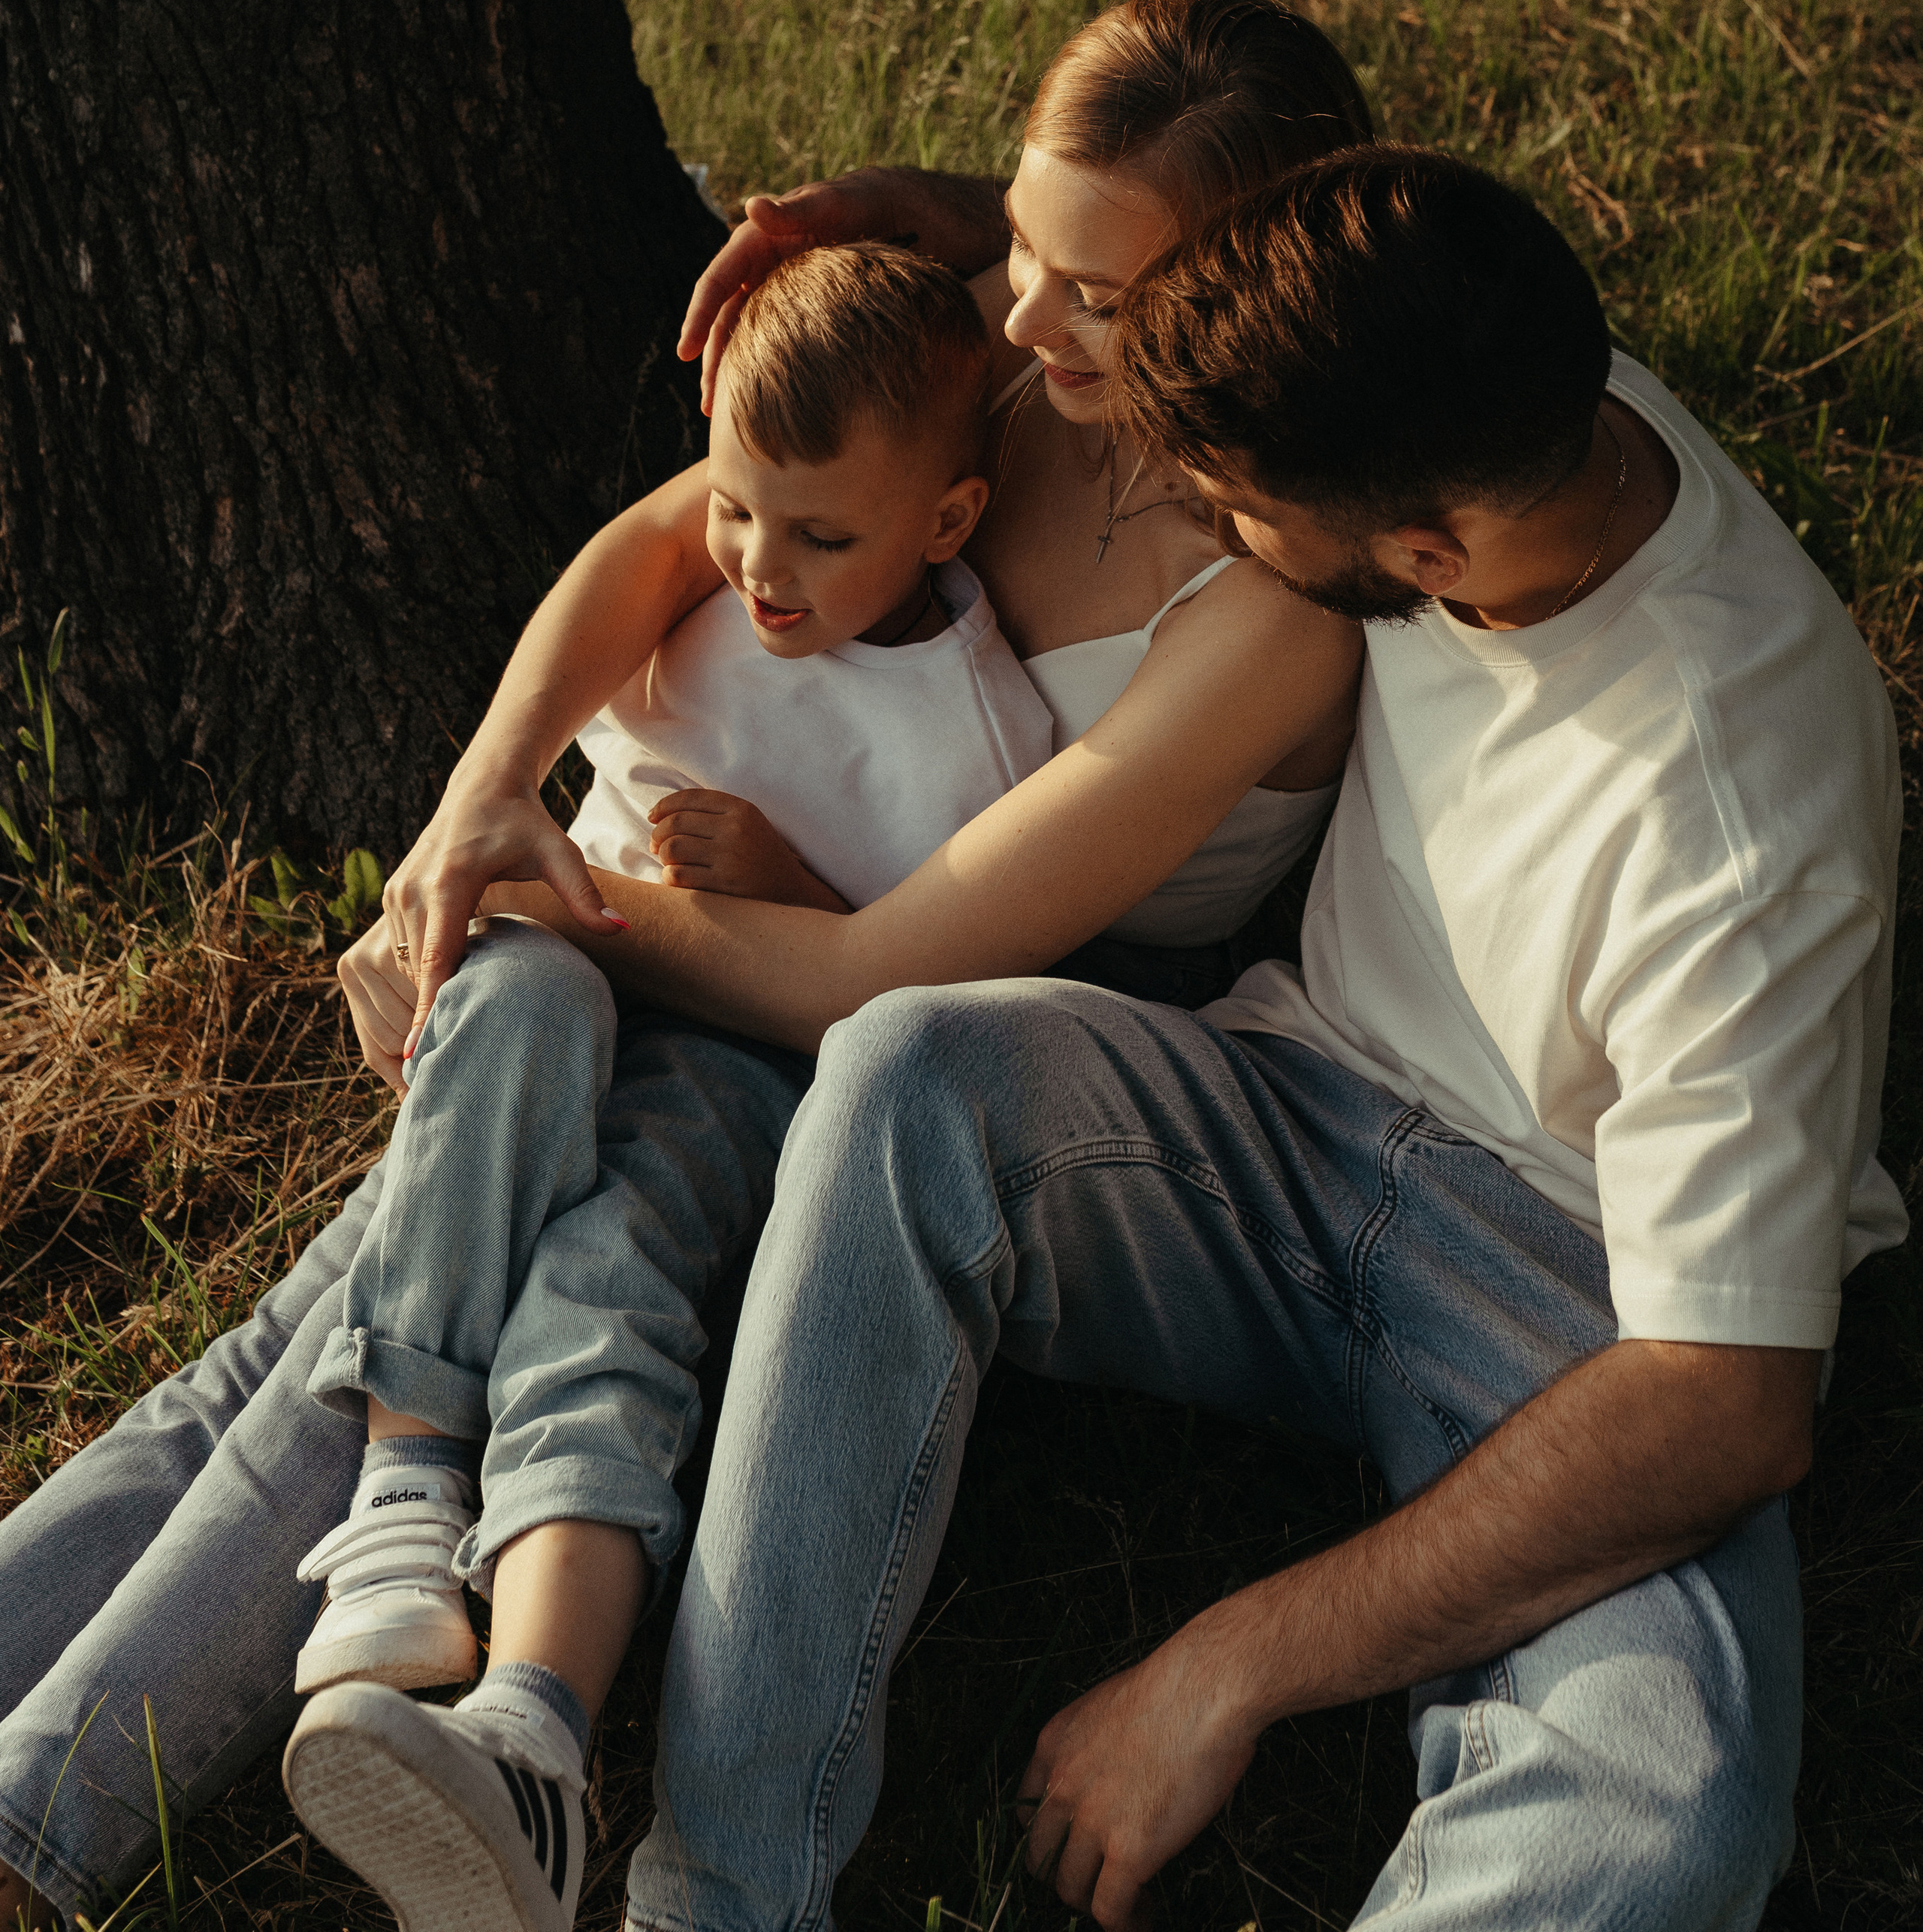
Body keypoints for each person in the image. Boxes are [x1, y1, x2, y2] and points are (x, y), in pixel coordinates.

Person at [0, 0, 1362, 1932]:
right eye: (1022, 255)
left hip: (904, 1044)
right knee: (331, 1325)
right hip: (693, 929)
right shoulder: (1020, 361)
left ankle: (39, 1835)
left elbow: (883, 968)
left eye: (1083, 287)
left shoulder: (1266, 602)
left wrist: (564, 905)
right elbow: (664, 542)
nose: (1018, 311)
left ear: (1238, 290)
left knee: (422, 1335)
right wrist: (484, 803)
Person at [601, 146, 1903, 1932]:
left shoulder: (1737, 818)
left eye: (1242, 523)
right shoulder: (1479, 367)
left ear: (1428, 557)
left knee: (1654, 1819)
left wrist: (1230, 1660)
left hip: (1584, 1307)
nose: (1201, 537)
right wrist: (978, 225)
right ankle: (721, 1895)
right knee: (910, 1071)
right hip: (1285, 1101)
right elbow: (1264, 224)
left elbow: (1725, 1404)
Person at [276, 246, 1057, 1932]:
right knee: (517, 1008)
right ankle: (409, 1488)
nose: (762, 573)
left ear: (945, 520)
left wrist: (784, 879)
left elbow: (938, 1001)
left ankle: (532, 1722)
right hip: (566, 996)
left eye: (821, 538)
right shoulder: (695, 597)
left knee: (600, 1285)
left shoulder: (979, 734)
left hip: (747, 1064)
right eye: (732, 509)